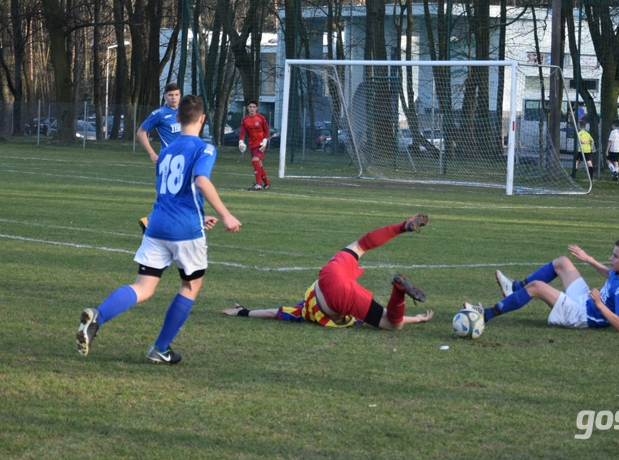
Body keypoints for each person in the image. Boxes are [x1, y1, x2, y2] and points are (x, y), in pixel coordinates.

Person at [76, 95, 242, 364]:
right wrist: (226, 215)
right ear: (202, 119)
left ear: (177, 119)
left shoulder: (166, 151)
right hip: (184, 229)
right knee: (190, 286)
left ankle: (98, 315)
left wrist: (200, 217)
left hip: (157, 225)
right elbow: (200, 181)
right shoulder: (205, 149)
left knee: (143, 286)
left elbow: (165, 192)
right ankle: (160, 349)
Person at [222, 215, 433, 330]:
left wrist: (243, 312)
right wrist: (417, 319)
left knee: (392, 324)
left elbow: (271, 313)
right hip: (328, 274)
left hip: (338, 291)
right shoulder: (303, 307)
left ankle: (398, 289)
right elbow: (271, 311)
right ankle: (401, 226)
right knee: (361, 245)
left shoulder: (303, 313)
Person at [464, 240, 619, 332]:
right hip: (586, 302)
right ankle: (515, 288)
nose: (610, 258)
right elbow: (608, 274)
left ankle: (486, 315)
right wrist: (588, 259)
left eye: (615, 256)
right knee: (562, 262)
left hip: (583, 316)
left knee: (536, 287)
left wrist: (600, 304)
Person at [137, 83, 182, 232]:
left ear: (180, 95)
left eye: (176, 95)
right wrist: (152, 153)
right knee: (164, 194)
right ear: (165, 97)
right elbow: (141, 132)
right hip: (167, 161)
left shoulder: (185, 113)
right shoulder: (160, 114)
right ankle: (151, 222)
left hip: (183, 161)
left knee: (178, 194)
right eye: (170, 95)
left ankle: (151, 222)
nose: (173, 98)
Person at [239, 100, 271, 191]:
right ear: (248, 108)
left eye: (254, 107)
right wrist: (241, 142)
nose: (252, 109)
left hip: (260, 144)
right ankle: (267, 183)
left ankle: (258, 184)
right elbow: (241, 132)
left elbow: (267, 130)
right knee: (259, 164)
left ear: (256, 108)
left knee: (255, 161)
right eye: (250, 107)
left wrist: (265, 141)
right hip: (252, 144)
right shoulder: (245, 120)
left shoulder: (261, 118)